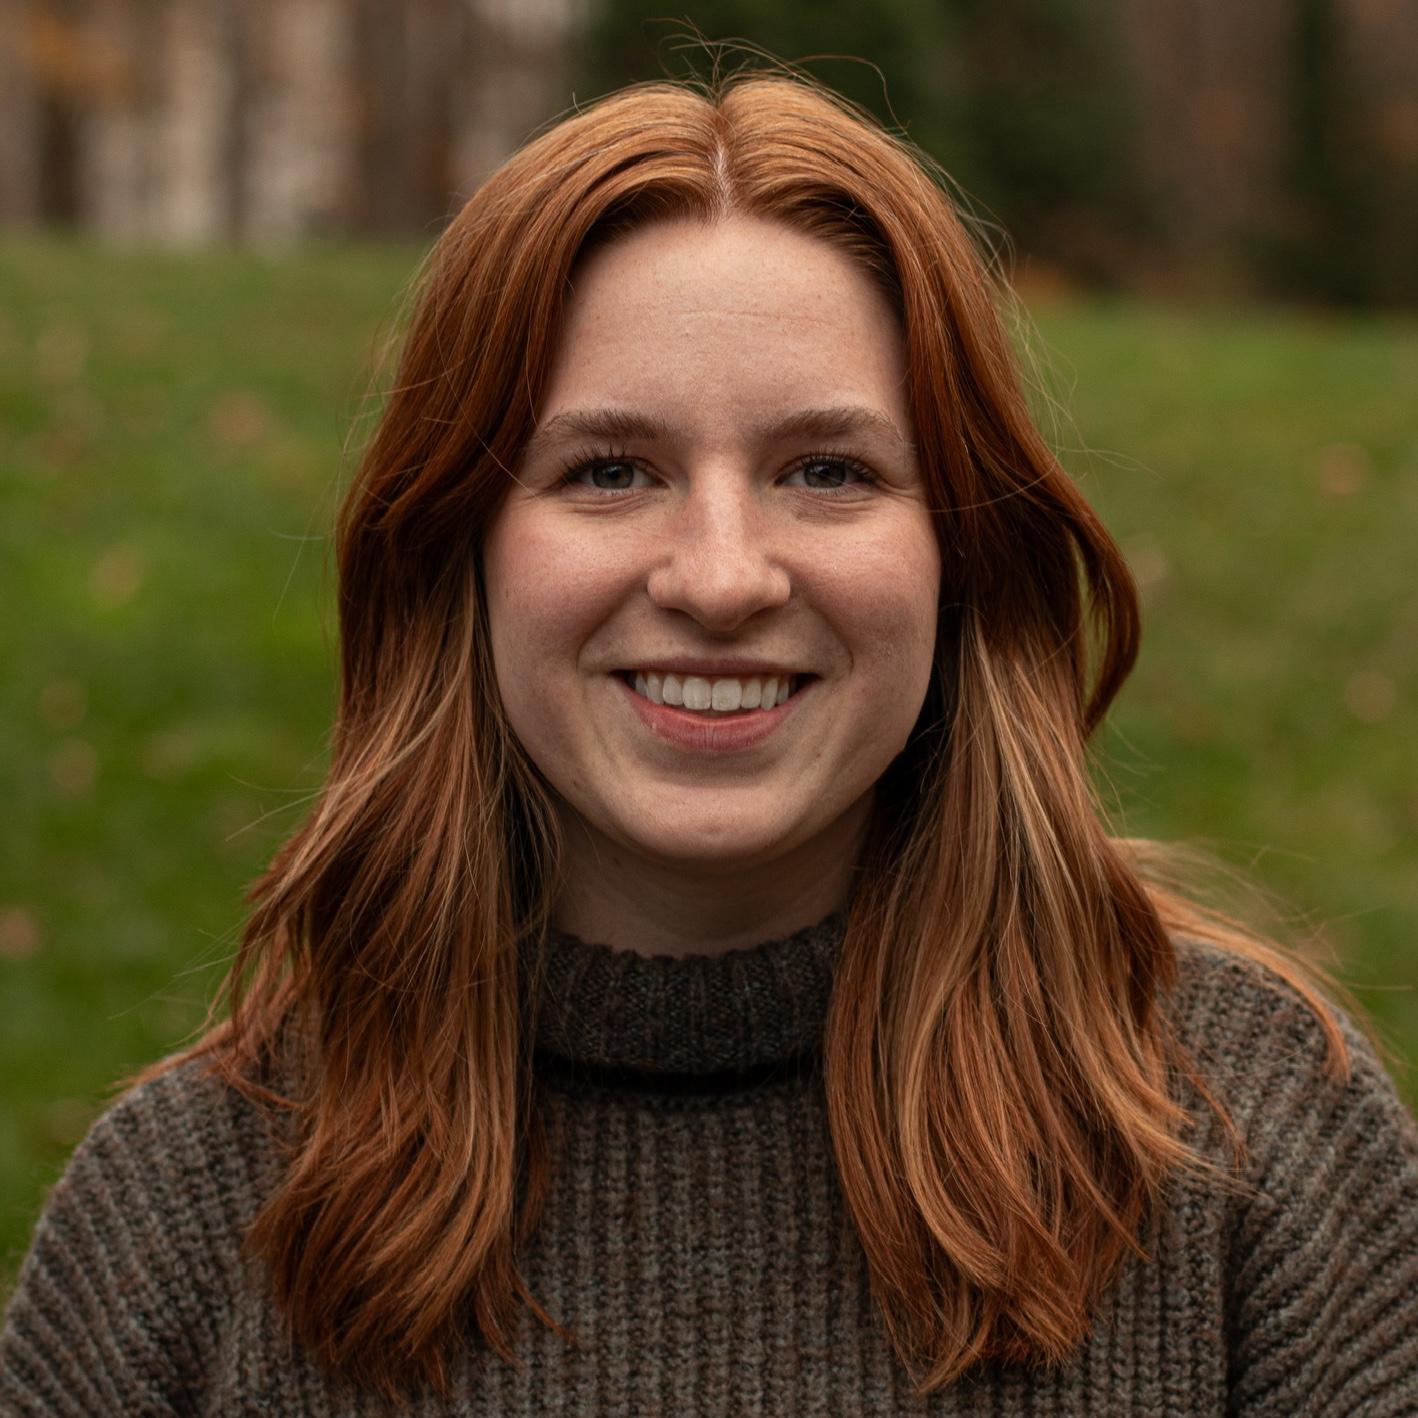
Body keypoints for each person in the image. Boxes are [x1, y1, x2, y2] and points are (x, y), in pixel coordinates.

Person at [3, 69, 1417, 1416]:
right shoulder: (185, 1218)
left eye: (828, 471)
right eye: (611, 470)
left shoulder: (1254, 1146)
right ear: (456, 555)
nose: (723, 577)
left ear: (963, 554)